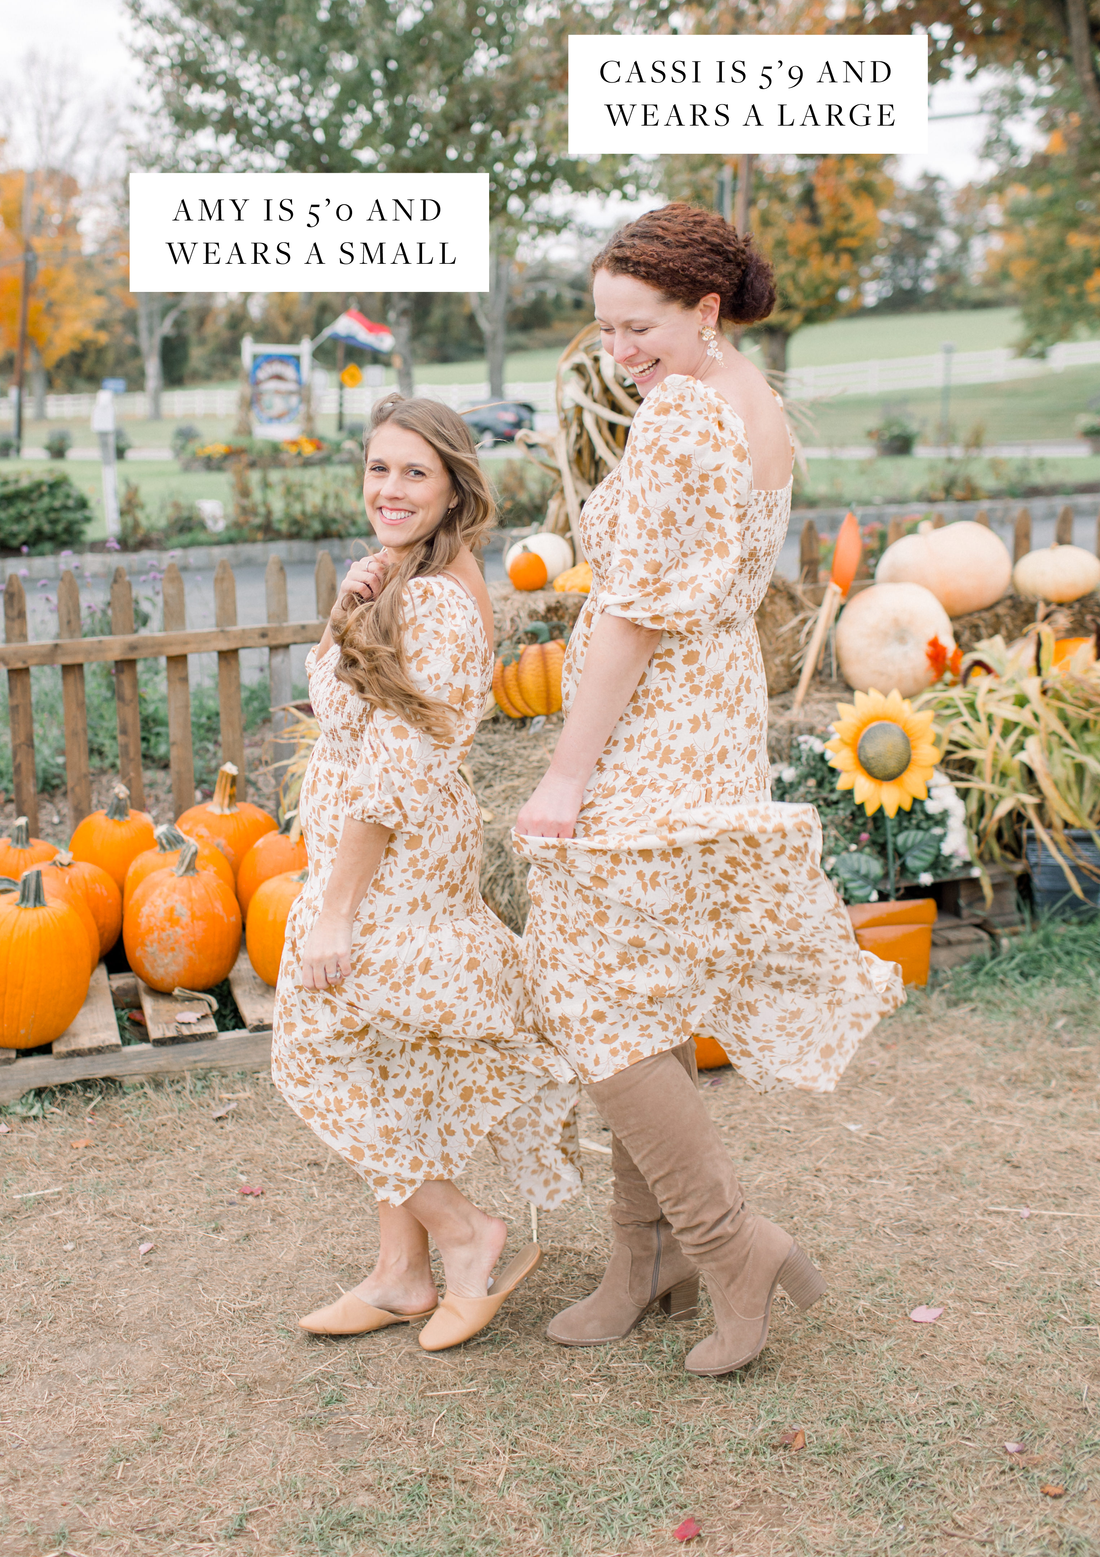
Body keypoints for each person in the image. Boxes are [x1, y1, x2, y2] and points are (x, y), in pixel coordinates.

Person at [514, 202, 904, 1377]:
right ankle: (646, 1259)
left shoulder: (685, 414)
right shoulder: (753, 403)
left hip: (653, 734)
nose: (617, 353)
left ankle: (725, 1242)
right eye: (602, 332)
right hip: (710, 714)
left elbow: (631, 610)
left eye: (637, 327)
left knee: (588, 990)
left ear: (703, 308)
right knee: (639, 987)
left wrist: (564, 775)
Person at [272, 393, 580, 1353]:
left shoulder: (442, 600)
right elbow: (340, 699)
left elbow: (393, 771)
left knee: (313, 1048)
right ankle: (401, 1274)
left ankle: (464, 1232)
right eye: (377, 468)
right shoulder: (400, 577)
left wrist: (335, 911)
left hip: (393, 856)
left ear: (454, 486)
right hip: (366, 847)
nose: (390, 489)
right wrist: (353, 603)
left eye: (414, 471)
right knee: (385, 1051)